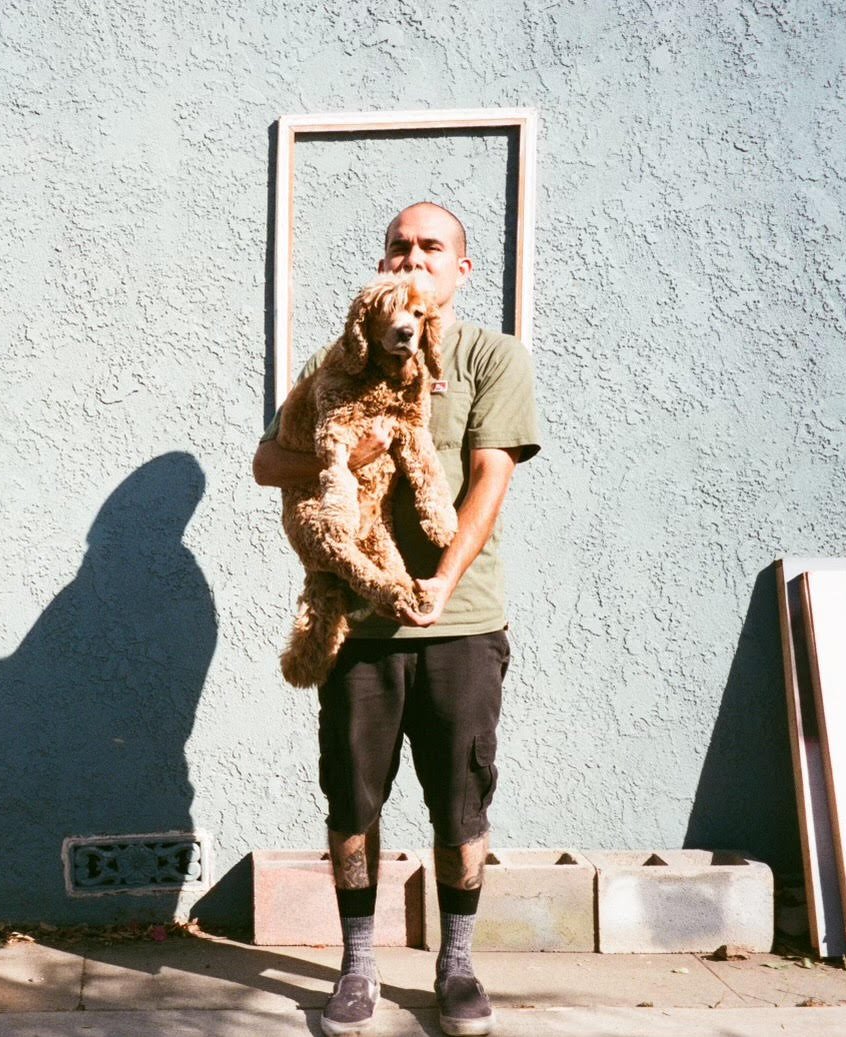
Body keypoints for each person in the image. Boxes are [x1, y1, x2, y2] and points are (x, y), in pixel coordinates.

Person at [252, 201, 541, 1037]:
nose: (411, 260)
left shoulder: (492, 357)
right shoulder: (335, 357)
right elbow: (268, 459)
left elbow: (488, 477)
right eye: (397, 248)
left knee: (460, 807)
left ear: (461, 270)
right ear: (379, 266)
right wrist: (344, 458)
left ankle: (455, 964)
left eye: (430, 248)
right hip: (362, 629)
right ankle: (357, 965)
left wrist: (441, 583)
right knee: (352, 800)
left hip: (461, 622)